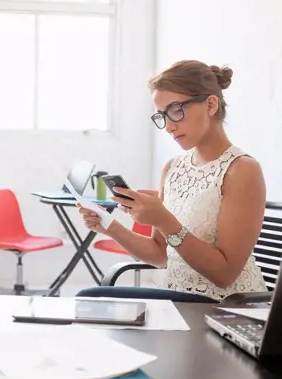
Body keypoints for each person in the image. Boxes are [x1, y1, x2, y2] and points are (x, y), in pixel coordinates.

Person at [77, 60, 268, 302]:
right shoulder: (173, 168)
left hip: (227, 307)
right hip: (177, 300)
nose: (168, 126)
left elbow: (225, 274)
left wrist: (165, 221)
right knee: (92, 301)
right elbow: (161, 254)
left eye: (176, 110)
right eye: (161, 116)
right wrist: (108, 226)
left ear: (210, 104)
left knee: (91, 297)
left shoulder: (242, 170)